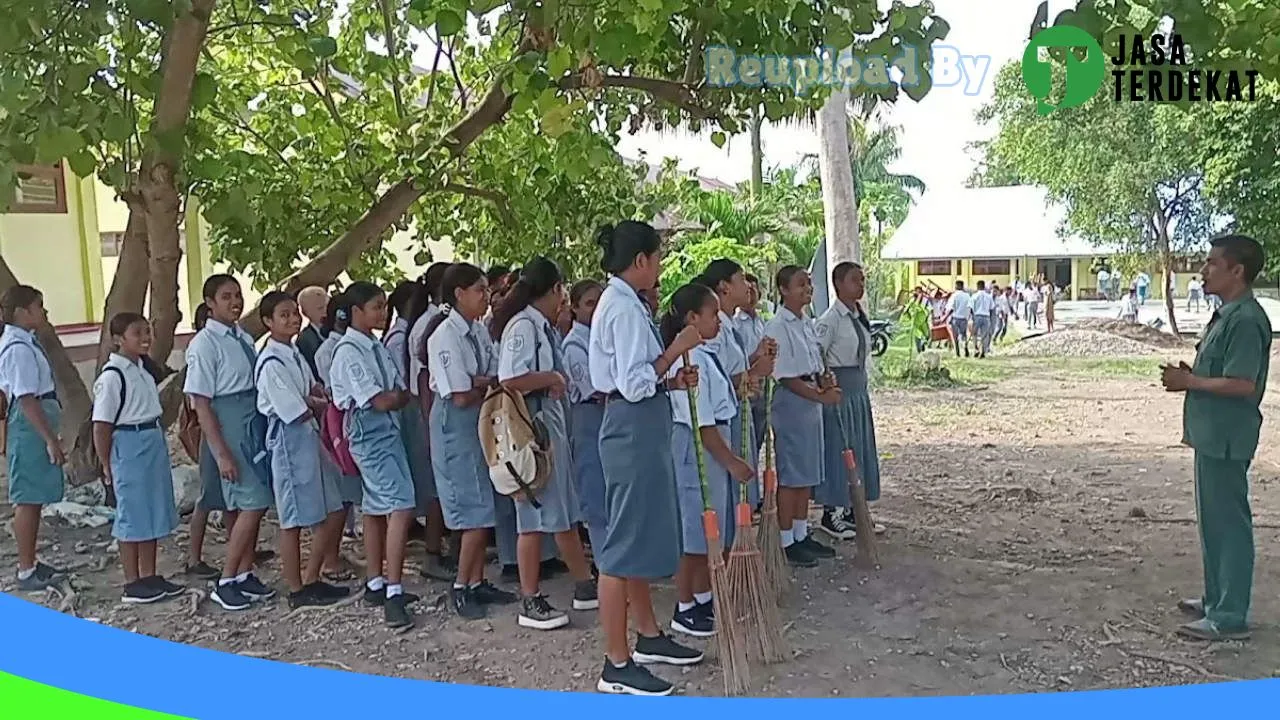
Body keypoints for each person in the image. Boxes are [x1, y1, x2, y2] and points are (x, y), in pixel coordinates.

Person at [590, 221, 704, 696]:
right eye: (657, 259)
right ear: (640, 260)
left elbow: (638, 376)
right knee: (621, 548)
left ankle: (649, 636)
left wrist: (671, 380)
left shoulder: (625, 303)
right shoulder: (621, 308)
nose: (659, 268)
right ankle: (615, 663)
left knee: (634, 539)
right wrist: (676, 350)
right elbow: (633, 381)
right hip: (631, 430)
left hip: (638, 425)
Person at [1160, 234, 1271, 642]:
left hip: (1227, 434)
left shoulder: (1244, 319)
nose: (1203, 271)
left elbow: (1243, 383)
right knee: (1213, 521)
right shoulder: (1227, 314)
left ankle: (1229, 615)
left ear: (1237, 271)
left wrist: (1190, 381)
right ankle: (1216, 598)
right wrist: (1195, 376)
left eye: (1211, 264)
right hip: (1212, 434)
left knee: (1228, 524)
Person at [492, 258, 599, 630]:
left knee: (559, 512)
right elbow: (511, 378)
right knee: (536, 516)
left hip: (548, 426)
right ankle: (531, 597)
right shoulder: (524, 326)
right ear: (555, 289)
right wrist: (551, 376)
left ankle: (585, 585)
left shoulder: (542, 326)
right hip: (533, 430)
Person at [662, 282, 755, 638]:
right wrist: (732, 461)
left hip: (715, 445)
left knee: (709, 527)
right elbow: (702, 424)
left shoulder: (705, 353)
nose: (718, 321)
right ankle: (684, 604)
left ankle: (703, 595)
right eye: (712, 314)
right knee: (695, 531)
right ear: (691, 318)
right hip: (701, 448)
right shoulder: (691, 359)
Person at [426, 264, 518, 619]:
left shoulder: (476, 331)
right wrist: (484, 383)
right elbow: (461, 393)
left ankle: (477, 580)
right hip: (456, 425)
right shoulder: (445, 336)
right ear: (459, 294)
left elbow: (496, 373)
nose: (485, 296)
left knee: (485, 504)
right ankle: (462, 586)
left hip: (479, 423)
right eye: (479, 290)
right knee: (473, 513)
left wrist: (483, 381)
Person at [330, 281, 421, 628]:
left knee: (374, 506)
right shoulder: (350, 351)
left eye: (384, 307)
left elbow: (395, 388)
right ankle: (394, 591)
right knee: (400, 504)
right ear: (356, 312)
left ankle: (375, 580)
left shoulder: (373, 345)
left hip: (385, 428)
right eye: (376, 307)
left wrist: (395, 396)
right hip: (370, 429)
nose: (383, 313)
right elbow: (381, 398)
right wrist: (396, 398)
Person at [254, 291, 351, 609]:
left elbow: (310, 389)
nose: (293, 319)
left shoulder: (292, 353)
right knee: (294, 517)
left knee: (331, 506)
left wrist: (316, 397)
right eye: (284, 315)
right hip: (289, 439)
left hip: (309, 435)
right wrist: (320, 404)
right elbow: (294, 409)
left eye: (294, 313)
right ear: (268, 321)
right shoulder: (270, 361)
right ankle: (296, 587)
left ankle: (312, 577)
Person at [185, 275, 275, 611]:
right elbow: (202, 401)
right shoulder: (205, 344)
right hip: (229, 421)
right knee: (250, 500)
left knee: (250, 503)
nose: (234, 302)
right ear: (210, 302)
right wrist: (220, 452)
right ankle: (225, 581)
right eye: (226, 297)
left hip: (251, 419)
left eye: (237, 296)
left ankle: (243, 571)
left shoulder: (240, 336)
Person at [91, 312, 185, 603]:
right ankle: (132, 581)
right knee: (131, 512)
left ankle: (149, 574)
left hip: (150, 438)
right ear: (119, 339)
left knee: (152, 509)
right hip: (128, 442)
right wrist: (106, 463)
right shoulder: (113, 376)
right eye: (137, 333)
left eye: (147, 331)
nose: (145, 338)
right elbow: (102, 425)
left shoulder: (143, 369)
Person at [765, 266, 839, 568]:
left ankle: (799, 532)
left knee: (807, 470)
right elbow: (784, 376)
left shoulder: (806, 322)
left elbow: (814, 362)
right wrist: (819, 395)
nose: (807, 289)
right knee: (792, 473)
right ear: (783, 290)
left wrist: (824, 381)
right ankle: (785, 540)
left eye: (808, 284)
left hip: (810, 398)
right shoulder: (777, 326)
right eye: (799, 285)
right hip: (794, 401)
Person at [1, 285, 68, 592]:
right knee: (27, 497)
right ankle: (26, 568)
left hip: (37, 420)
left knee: (36, 496)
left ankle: (32, 561)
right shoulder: (17, 349)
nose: (43, 312)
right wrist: (49, 438)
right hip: (30, 426)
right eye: (38, 306)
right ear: (21, 311)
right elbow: (27, 399)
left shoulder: (27, 343)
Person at [698, 259, 775, 524]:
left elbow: (732, 368)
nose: (749, 286)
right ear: (724, 287)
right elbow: (717, 383)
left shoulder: (728, 324)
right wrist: (753, 374)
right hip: (725, 416)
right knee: (729, 495)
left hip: (739, 411)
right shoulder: (714, 329)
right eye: (742, 279)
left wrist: (756, 359)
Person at [815, 262, 885, 542]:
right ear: (838, 284)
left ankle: (853, 508)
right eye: (854, 280)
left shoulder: (858, 316)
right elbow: (817, 353)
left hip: (857, 390)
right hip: (839, 390)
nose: (861, 285)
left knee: (858, 448)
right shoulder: (830, 320)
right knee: (838, 448)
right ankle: (832, 511)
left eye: (862, 280)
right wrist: (825, 381)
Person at [408, 262, 454, 580]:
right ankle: (433, 553)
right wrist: (427, 421)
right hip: (429, 408)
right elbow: (425, 377)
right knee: (439, 486)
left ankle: (443, 550)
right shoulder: (433, 323)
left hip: (430, 407)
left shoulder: (439, 319)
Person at [563, 279, 608, 556]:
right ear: (575, 308)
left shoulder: (601, 339)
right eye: (589, 303)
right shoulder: (574, 345)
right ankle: (604, 562)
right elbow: (595, 388)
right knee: (595, 491)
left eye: (599, 303)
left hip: (606, 416)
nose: (595, 310)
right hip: (589, 415)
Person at [734, 273, 771, 452]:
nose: (751, 293)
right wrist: (757, 355)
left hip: (762, 386)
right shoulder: (735, 324)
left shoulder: (762, 323)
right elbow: (738, 363)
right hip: (745, 384)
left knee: (758, 435)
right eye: (747, 289)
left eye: (754, 289)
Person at [296, 286, 330, 380]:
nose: (326, 312)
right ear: (305, 313)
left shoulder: (341, 328)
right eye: (320, 308)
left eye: (328, 306)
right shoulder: (304, 340)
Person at [944, 280, 972, 357]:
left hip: (955, 318)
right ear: (962, 287)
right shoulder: (967, 296)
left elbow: (951, 308)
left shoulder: (954, 295)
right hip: (964, 318)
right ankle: (965, 348)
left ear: (956, 286)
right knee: (964, 335)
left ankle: (957, 352)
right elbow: (970, 307)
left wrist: (944, 317)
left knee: (955, 336)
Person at [971, 280, 995, 358]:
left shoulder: (974, 296)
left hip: (977, 316)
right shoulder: (989, 296)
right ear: (984, 287)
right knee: (984, 335)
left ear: (977, 286)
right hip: (986, 316)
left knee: (974, 333)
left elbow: (971, 308)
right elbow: (992, 308)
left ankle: (976, 348)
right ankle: (983, 351)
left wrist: (972, 317)